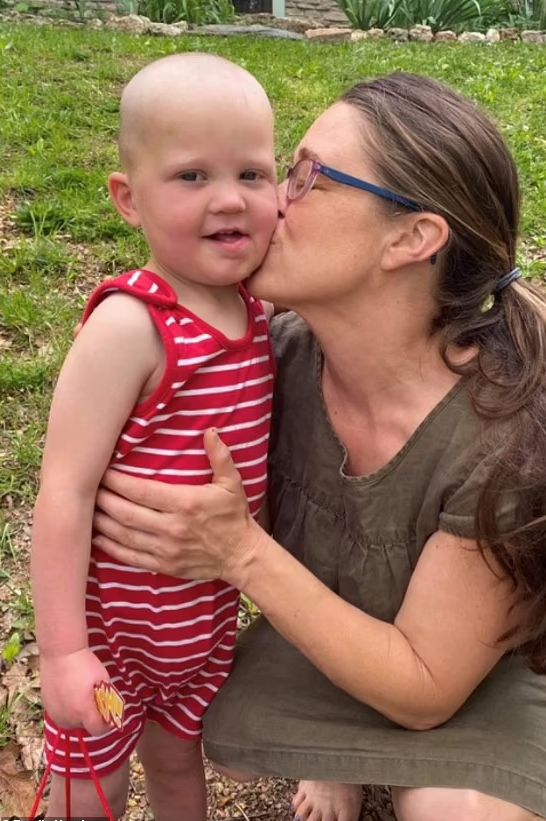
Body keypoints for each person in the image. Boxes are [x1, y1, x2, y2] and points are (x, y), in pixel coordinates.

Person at [89, 73, 546, 821]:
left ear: (412, 239)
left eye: (309, 178)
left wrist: (240, 551)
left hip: (486, 669)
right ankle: (339, 758)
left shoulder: (514, 441)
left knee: (447, 812)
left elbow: (425, 686)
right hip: (357, 620)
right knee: (230, 730)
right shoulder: (268, 359)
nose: (270, 201)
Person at [30, 53, 278, 820]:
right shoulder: (131, 326)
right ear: (127, 199)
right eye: (191, 176)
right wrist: (65, 651)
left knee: (176, 764)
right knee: (91, 786)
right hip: (112, 641)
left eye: (253, 173)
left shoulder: (262, 313)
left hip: (202, 631)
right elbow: (64, 490)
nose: (229, 198)